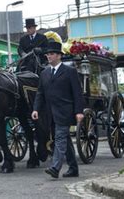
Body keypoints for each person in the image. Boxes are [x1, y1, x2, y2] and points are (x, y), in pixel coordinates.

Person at [31, 40, 84, 179]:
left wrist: (79, 111)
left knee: (60, 139)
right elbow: (40, 93)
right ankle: (73, 169)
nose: (49, 56)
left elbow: (77, 93)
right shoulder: (44, 73)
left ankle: (55, 167)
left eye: (52, 54)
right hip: (50, 114)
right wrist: (36, 109)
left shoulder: (70, 71)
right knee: (64, 139)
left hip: (65, 112)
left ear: (59, 55)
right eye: (47, 54)